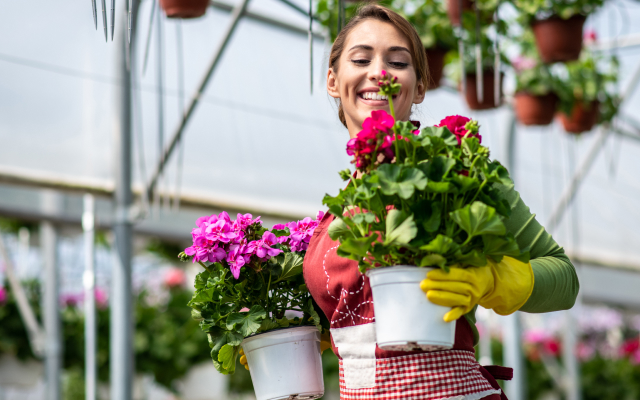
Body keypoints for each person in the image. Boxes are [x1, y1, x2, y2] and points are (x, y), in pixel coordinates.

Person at [301, 5, 579, 400]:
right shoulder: (334, 213)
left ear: (419, 88)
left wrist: (492, 279)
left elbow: (564, 278)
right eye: (361, 59)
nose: (378, 72)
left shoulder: (456, 175)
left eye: (398, 62)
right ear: (333, 80)